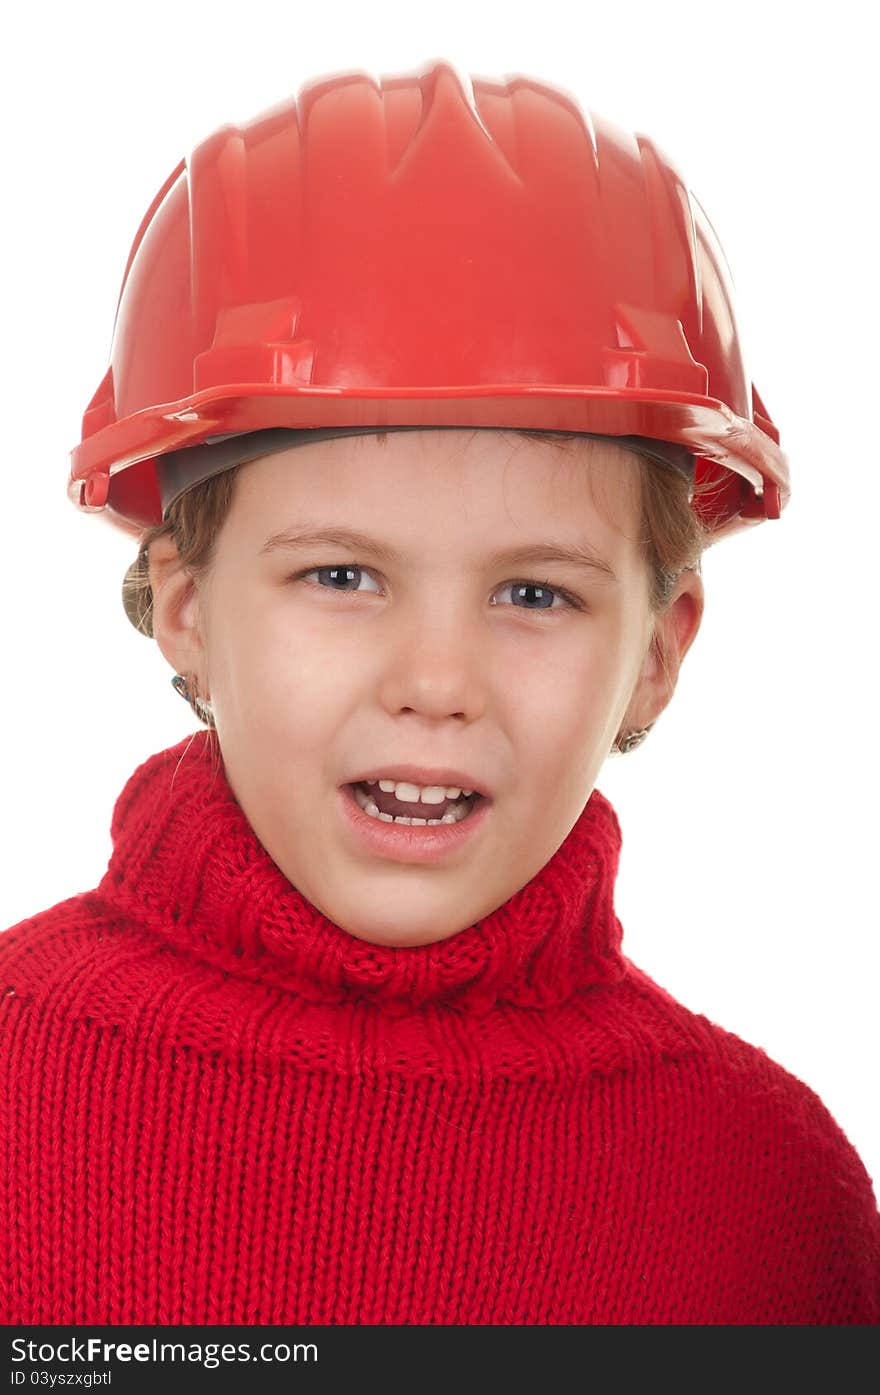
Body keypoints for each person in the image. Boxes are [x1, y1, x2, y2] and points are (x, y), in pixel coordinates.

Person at [1, 60, 877, 1326]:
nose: (435, 682)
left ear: (657, 650)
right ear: (185, 604)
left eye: (535, 596)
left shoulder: (765, 1199)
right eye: (343, 574)